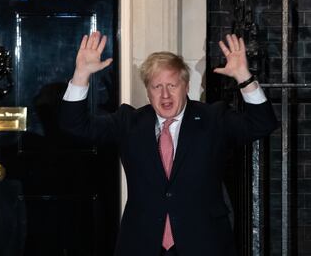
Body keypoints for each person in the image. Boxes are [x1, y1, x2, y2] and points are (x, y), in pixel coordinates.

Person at [59, 31, 278, 256]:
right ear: (147, 91)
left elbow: (263, 123)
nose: (165, 95)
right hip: (142, 244)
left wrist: (244, 76)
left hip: (204, 244)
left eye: (172, 85)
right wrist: (81, 74)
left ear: (185, 86)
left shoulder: (214, 118)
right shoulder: (128, 122)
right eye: (157, 87)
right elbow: (73, 125)